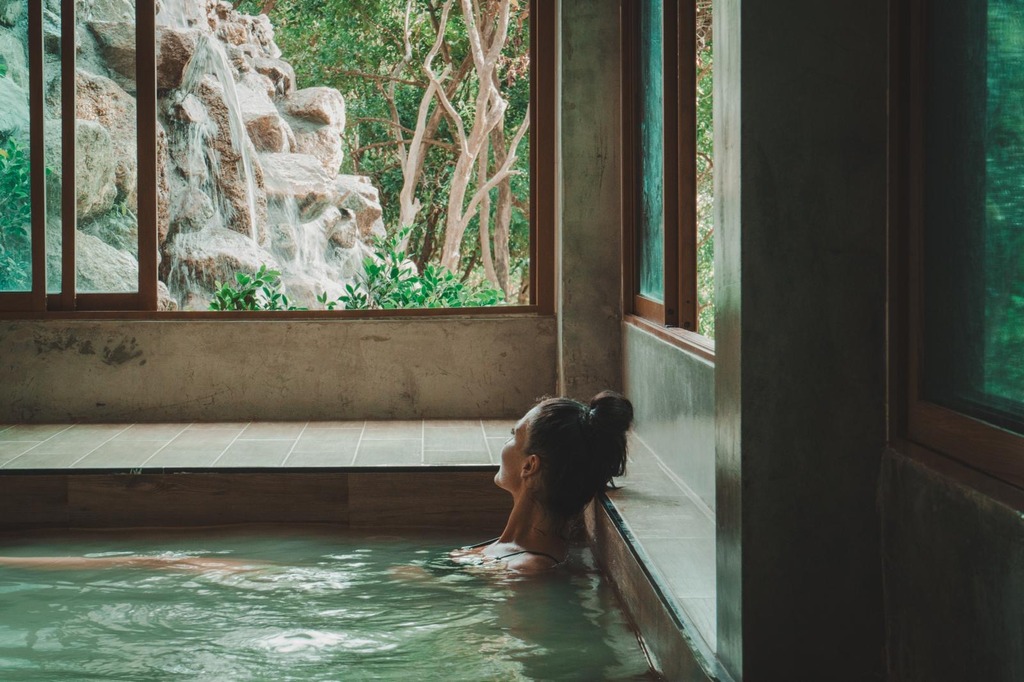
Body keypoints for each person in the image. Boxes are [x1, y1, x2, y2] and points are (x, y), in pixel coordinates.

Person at [453, 390, 633, 572]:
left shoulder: (526, 569)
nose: (505, 442)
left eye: (513, 435)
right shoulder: (514, 552)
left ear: (529, 466)